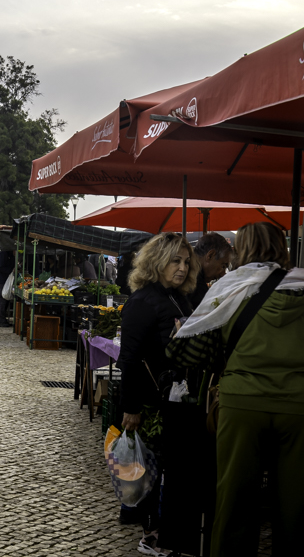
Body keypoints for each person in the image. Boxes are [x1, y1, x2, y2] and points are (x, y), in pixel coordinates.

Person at [167, 222, 304, 557]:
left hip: (241, 403)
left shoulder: (228, 288)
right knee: (298, 503)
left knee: (234, 500)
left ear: (243, 248)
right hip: (298, 407)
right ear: (283, 246)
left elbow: (193, 347)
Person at [117, 232, 198, 554]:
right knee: (147, 470)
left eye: (186, 261)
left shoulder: (177, 297)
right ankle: (150, 535)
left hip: (171, 398)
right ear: (157, 261)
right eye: (175, 260)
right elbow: (130, 359)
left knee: (164, 469)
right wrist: (131, 407)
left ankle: (165, 531)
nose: (182, 267)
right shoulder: (142, 301)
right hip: (149, 403)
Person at [190, 233, 233, 308]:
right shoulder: (194, 285)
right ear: (210, 255)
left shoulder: (192, 278)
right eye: (223, 266)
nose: (223, 274)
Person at [0, 236, 15, 326]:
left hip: (4, 280)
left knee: (5, 300)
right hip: (0, 281)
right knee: (2, 300)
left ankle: (2, 319)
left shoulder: (9, 255)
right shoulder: (2, 255)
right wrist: (11, 270)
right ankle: (1, 320)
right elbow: (0, 268)